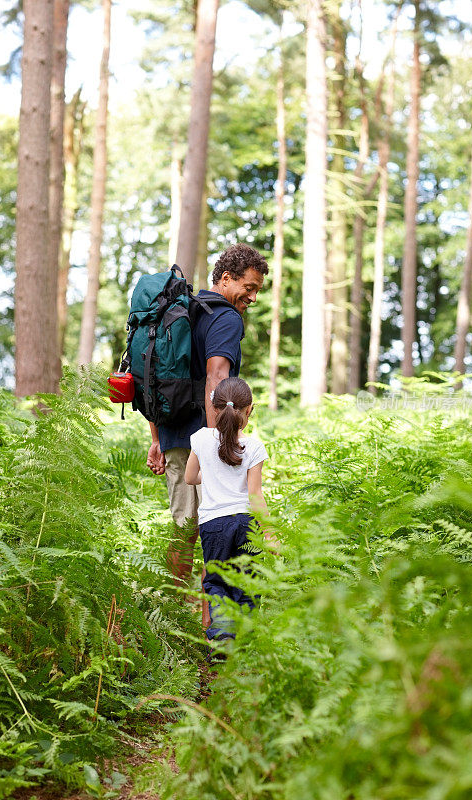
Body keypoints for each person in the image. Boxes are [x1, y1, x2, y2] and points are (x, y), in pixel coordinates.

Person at [146, 244, 269, 622]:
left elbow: (152, 375)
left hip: (174, 434)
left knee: (185, 530)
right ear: (226, 277)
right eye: (248, 287)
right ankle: (209, 627)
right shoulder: (225, 318)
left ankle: (173, 623)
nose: (251, 296)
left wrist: (156, 438)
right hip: (206, 439)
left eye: (257, 290)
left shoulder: (180, 311)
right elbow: (217, 375)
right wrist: (221, 442)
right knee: (219, 529)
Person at [184, 377, 271, 641]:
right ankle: (244, 642)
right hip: (247, 524)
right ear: (249, 410)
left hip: (213, 526)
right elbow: (255, 495)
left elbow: (190, 477)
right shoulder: (254, 446)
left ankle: (223, 642)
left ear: (213, 407)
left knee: (218, 582)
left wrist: (211, 476)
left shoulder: (200, 438)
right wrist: (269, 532)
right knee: (247, 581)